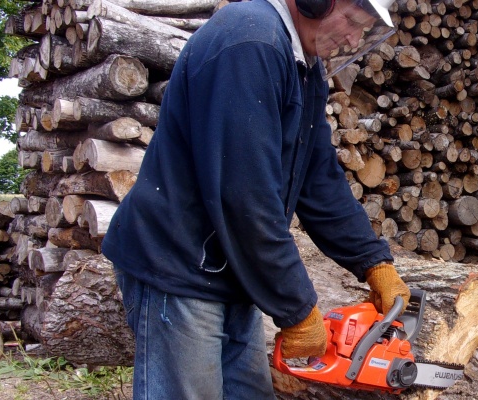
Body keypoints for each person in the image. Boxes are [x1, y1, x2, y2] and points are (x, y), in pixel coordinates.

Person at [99, 0, 409, 398]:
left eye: (362, 29)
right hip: (178, 263)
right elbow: (244, 193)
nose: (352, 37)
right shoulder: (249, 42)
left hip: (228, 267)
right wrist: (297, 308)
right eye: (350, 20)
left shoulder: (304, 64)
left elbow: (317, 177)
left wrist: (372, 262)